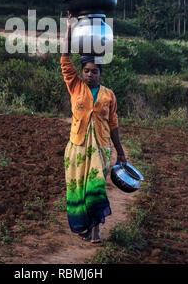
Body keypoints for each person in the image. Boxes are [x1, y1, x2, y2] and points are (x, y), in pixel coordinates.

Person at [61, 13, 126, 243]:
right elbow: (65, 56)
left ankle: (97, 229)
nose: (89, 74)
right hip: (77, 148)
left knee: (96, 187)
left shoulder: (109, 96)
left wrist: (120, 150)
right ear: (82, 72)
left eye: (94, 71)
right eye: (86, 70)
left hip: (100, 148)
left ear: (101, 73)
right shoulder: (75, 87)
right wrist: (70, 26)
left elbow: (113, 123)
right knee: (79, 189)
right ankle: (85, 227)